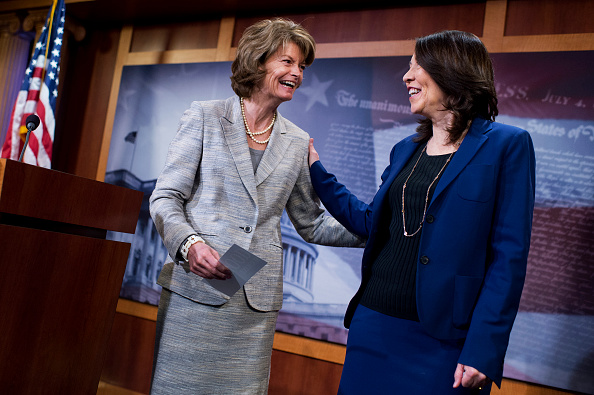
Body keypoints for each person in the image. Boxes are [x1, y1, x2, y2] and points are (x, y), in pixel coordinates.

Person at [308, 30, 535, 394]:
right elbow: (372, 223)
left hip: (444, 343)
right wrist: (318, 173)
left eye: (416, 66)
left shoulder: (507, 145)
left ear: (450, 71)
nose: (407, 77)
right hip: (373, 325)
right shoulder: (403, 149)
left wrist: (484, 348)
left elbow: (508, 259)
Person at [149, 18, 362, 394]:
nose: (296, 73)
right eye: (287, 62)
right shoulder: (204, 116)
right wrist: (189, 244)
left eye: (302, 67)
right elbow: (166, 197)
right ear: (258, 61)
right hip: (195, 292)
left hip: (254, 307)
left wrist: (379, 228)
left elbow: (311, 224)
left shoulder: (297, 142)